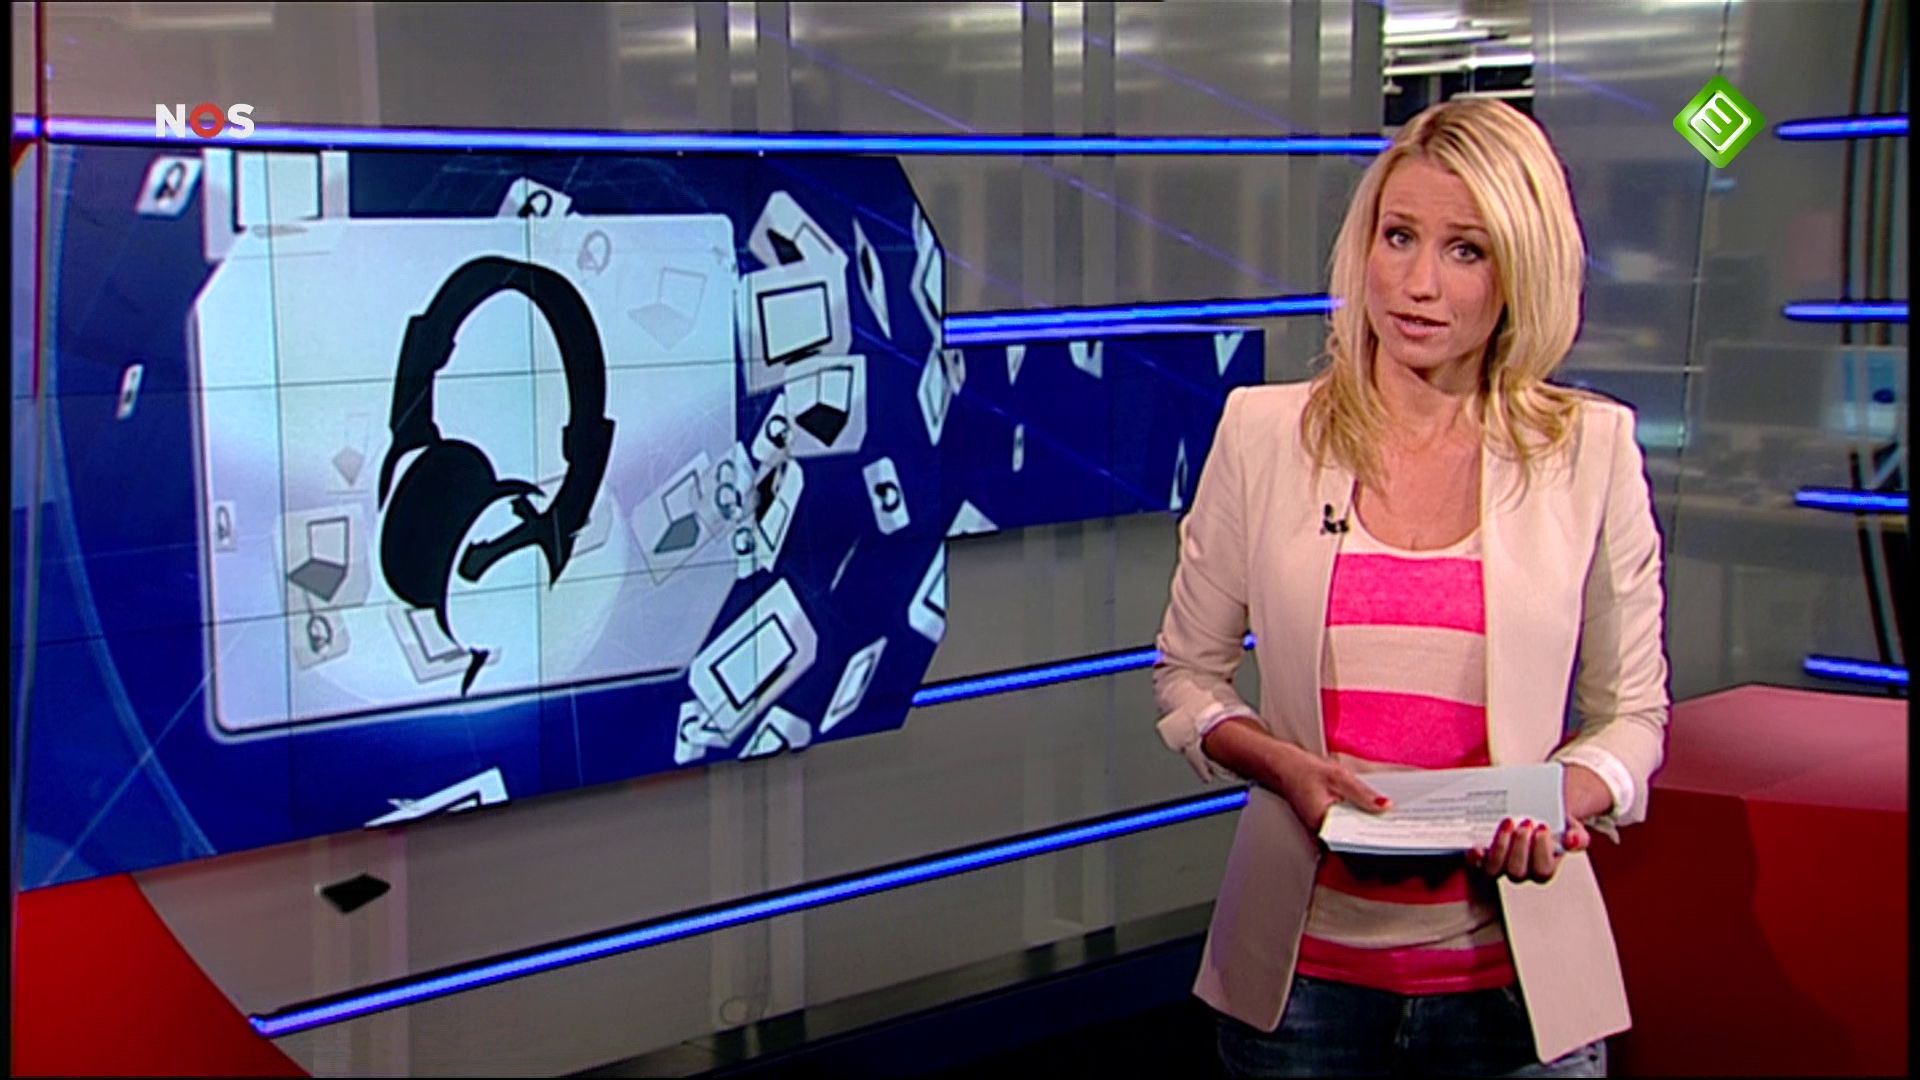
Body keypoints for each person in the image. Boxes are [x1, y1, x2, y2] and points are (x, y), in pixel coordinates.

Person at [1152, 98, 1670, 1078]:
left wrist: (1559, 799)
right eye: (1399, 237)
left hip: (1513, 994)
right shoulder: (1265, 435)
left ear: (1521, 274)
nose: (1418, 283)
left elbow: (1633, 717)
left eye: (1465, 250)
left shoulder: (1589, 451)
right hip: (1302, 993)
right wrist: (1279, 764)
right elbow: (1188, 677)